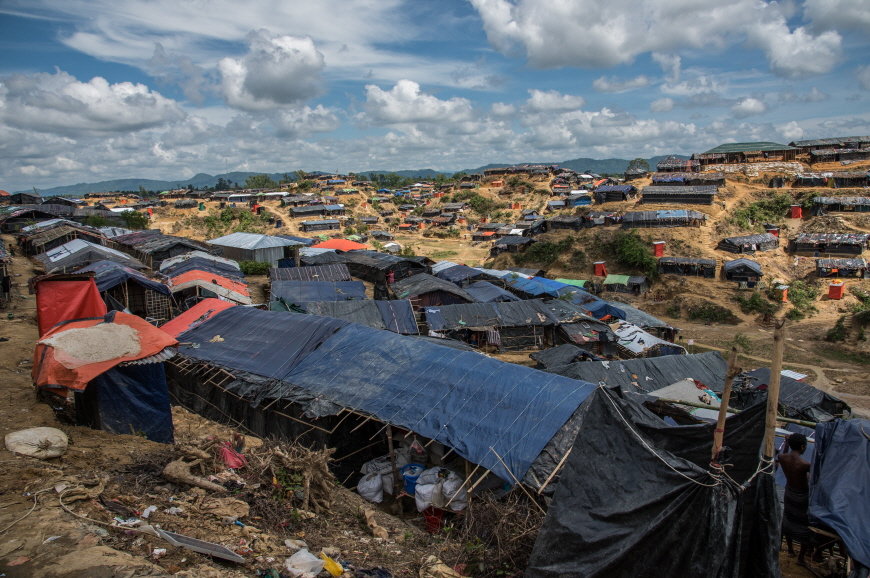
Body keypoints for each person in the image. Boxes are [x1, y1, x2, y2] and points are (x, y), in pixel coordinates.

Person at [778, 433, 814, 566]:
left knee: (788, 519)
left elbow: (783, 453)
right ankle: (801, 558)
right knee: (805, 526)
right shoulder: (804, 464)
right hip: (802, 496)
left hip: (789, 492)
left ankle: (790, 550)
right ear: (803, 447)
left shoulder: (782, 457)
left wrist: (786, 444)